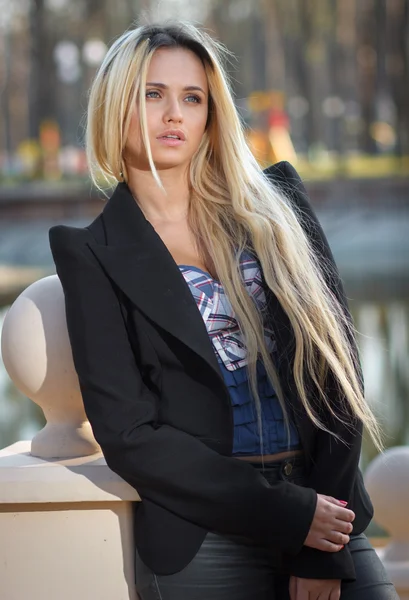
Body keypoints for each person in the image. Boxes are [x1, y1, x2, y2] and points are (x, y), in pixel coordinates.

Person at [49, 21, 398, 600]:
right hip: (204, 529)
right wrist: (284, 513)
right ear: (116, 105)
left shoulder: (280, 206)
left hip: (325, 506)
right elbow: (130, 433)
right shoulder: (90, 252)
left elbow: (336, 372)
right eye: (152, 94)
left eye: (192, 98)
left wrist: (320, 538)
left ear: (212, 115)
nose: (174, 115)